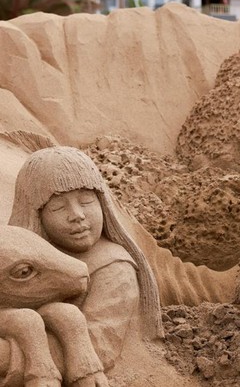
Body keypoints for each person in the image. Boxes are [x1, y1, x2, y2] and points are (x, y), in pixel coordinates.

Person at [0, 146, 163, 383]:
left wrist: (7, 357)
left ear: (102, 203)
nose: (77, 215)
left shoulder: (114, 268)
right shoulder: (21, 256)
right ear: (37, 216)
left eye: (87, 201)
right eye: (57, 207)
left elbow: (101, 345)